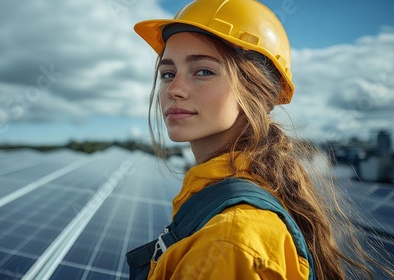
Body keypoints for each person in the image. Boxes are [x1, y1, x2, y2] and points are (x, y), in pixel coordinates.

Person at [128, 0, 394, 279]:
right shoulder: (226, 202)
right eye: (167, 74)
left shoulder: (229, 241)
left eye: (203, 71)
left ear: (256, 90)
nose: (174, 89)